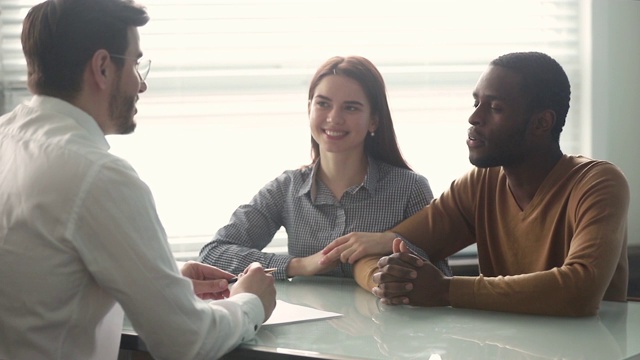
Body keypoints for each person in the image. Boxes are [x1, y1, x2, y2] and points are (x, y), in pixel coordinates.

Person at [0, 0, 276, 359]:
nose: (141, 85)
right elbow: (187, 341)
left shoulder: (7, 138)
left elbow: (41, 275)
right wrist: (251, 302)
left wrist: (158, 278)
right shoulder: (98, 176)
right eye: (134, 64)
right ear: (102, 67)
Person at [348, 51, 629, 317]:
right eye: (476, 103)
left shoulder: (598, 183)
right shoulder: (480, 184)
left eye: (495, 107)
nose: (474, 118)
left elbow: (579, 291)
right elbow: (376, 252)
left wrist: (445, 290)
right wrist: (388, 280)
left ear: (542, 123)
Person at [198, 56, 451, 280]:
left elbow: (439, 276)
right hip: (308, 332)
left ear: (374, 120)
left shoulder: (409, 188)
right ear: (309, 109)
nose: (334, 118)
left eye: (350, 107)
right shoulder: (287, 189)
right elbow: (214, 253)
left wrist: (388, 245)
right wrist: (298, 265)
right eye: (323, 104)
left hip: (386, 329)